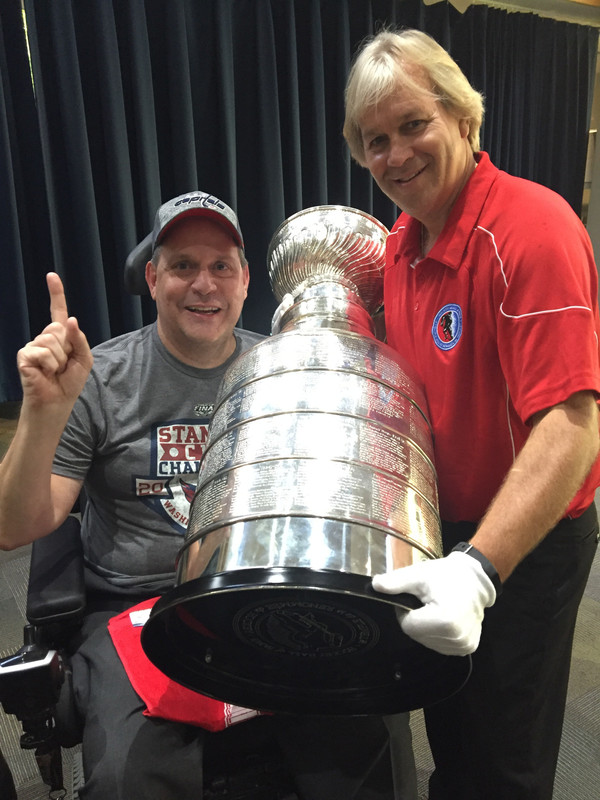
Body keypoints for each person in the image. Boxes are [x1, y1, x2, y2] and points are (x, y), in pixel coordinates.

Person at [0, 192, 402, 800]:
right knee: (127, 779)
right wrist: (41, 413)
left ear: (245, 282)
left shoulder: (284, 367)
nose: (203, 285)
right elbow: (15, 526)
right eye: (184, 265)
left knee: (368, 739)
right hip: (137, 606)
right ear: (154, 278)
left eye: (221, 267)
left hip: (259, 591)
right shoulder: (99, 377)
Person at [343, 28, 600, 800]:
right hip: (442, 534)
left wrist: (481, 572)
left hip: (523, 544)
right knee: (451, 730)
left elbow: (574, 424)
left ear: (463, 118)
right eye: (375, 140)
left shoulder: (532, 228)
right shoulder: (402, 243)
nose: (395, 156)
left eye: (412, 125)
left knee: (503, 758)